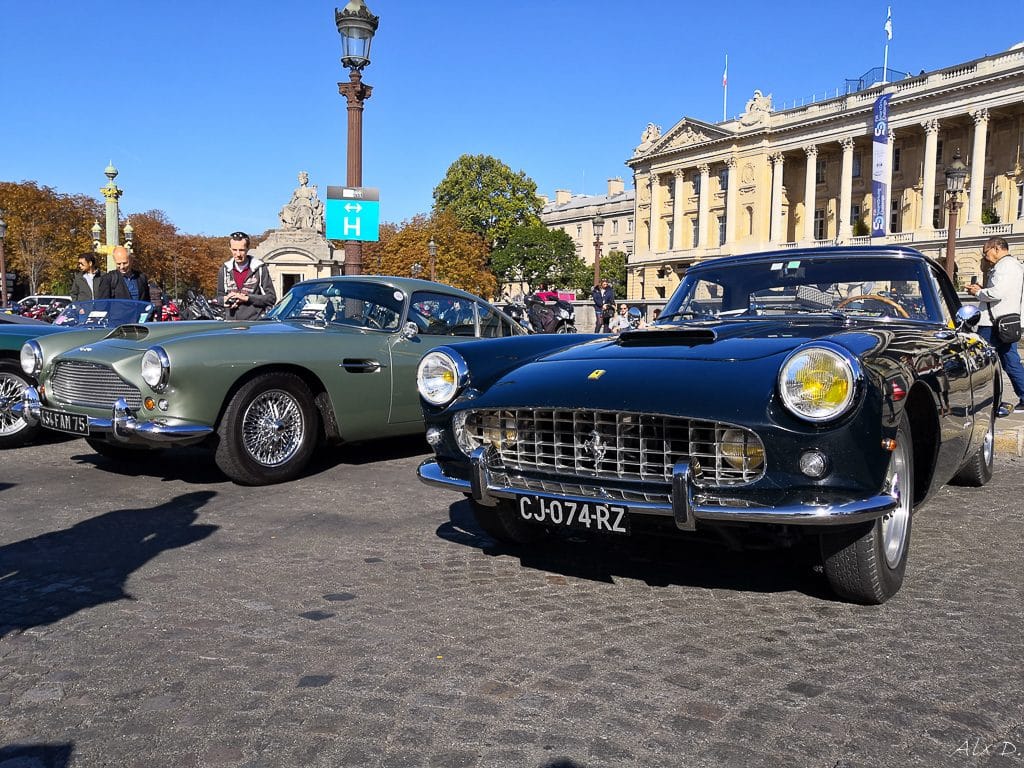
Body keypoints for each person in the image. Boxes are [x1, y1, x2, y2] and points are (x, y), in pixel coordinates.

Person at [966, 236, 1024, 416]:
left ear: (997, 248)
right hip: (1006, 322)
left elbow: (998, 292)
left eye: (986, 252)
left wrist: (978, 292)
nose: (985, 256)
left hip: (993, 324)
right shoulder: (1014, 265)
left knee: (980, 361)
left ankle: (983, 399)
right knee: (1010, 360)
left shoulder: (1005, 266)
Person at [214, 231, 276, 320]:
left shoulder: (260, 268)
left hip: (254, 324)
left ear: (247, 249)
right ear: (230, 249)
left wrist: (247, 298)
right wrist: (225, 300)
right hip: (230, 324)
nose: (238, 254)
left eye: (241, 250)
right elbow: (219, 297)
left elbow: (271, 298)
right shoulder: (224, 269)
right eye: (234, 250)